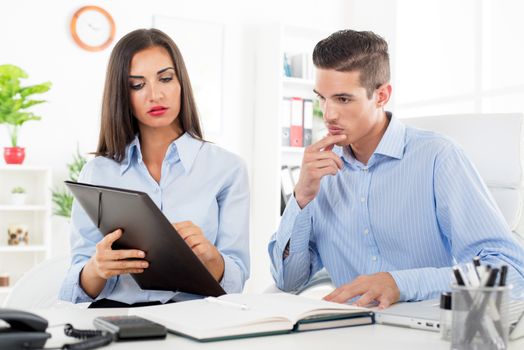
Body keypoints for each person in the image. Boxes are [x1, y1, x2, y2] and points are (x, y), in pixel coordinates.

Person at [268, 29, 524, 309]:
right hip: (347, 332)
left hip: (425, 332)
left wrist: (400, 283)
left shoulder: (438, 158)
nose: (328, 114)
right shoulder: (320, 174)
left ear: (381, 95)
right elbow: (288, 282)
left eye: (343, 99)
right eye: (322, 98)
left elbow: (510, 274)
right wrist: (301, 198)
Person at [60, 29, 249, 307]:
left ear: (181, 82)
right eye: (137, 85)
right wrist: (96, 268)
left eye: (165, 78)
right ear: (122, 94)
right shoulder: (97, 172)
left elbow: (236, 281)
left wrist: (211, 257)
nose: (155, 94)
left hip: (196, 319)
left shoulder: (227, 168)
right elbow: (72, 291)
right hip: (118, 320)